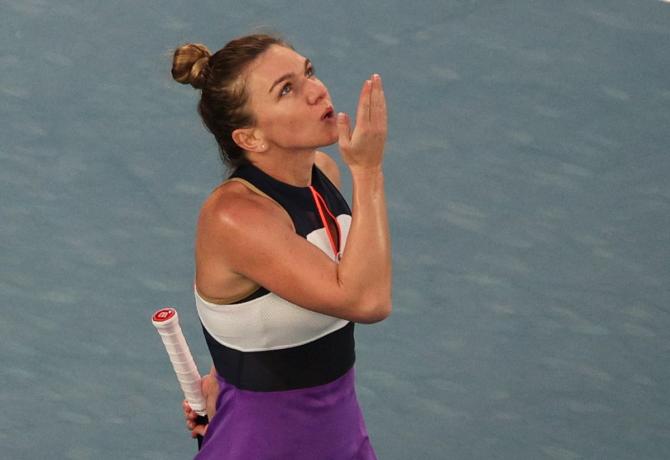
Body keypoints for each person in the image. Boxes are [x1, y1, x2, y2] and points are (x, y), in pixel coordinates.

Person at [171, 33, 391, 459]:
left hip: (340, 437)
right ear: (250, 138)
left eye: (307, 72)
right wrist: (368, 171)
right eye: (286, 90)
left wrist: (226, 375)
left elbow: (255, 309)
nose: (316, 90)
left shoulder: (320, 173)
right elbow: (367, 301)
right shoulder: (235, 217)